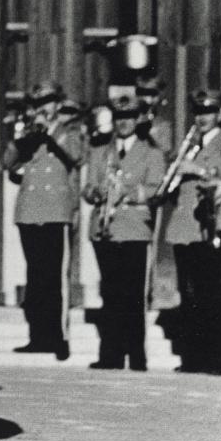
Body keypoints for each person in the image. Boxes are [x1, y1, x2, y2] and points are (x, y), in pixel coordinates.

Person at [83, 95, 165, 371]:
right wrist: (96, 193)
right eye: (119, 118)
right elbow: (89, 188)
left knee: (132, 296)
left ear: (137, 120)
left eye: (129, 118)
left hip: (133, 229)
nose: (124, 123)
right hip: (105, 229)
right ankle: (111, 355)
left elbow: (156, 189)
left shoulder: (150, 151)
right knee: (110, 292)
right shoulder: (100, 151)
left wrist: (125, 193)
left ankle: (136, 356)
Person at [4, 81, 84, 361]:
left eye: (48, 102)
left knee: (55, 277)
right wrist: (21, 138)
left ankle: (59, 337)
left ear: (57, 103)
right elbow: (8, 163)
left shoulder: (70, 127)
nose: (43, 108)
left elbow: (75, 154)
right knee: (36, 276)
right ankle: (37, 336)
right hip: (29, 211)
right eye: (38, 103)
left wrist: (50, 130)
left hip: (56, 211)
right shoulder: (28, 131)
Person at [163, 89, 221, 374]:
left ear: (218, 114)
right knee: (188, 294)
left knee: (211, 293)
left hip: (208, 226)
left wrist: (197, 170)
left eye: (208, 112)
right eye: (199, 113)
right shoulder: (190, 144)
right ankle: (193, 357)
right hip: (184, 227)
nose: (202, 118)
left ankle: (215, 358)